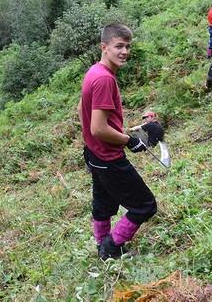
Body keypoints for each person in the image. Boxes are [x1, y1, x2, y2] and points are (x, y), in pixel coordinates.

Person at [78, 23, 158, 260]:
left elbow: (84, 114)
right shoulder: (105, 80)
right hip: (109, 157)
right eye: (118, 46)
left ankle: (102, 249)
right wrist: (128, 140)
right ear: (104, 47)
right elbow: (98, 127)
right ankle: (111, 247)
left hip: (94, 154)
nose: (124, 51)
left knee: (103, 206)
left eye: (127, 46)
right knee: (145, 205)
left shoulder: (93, 71)